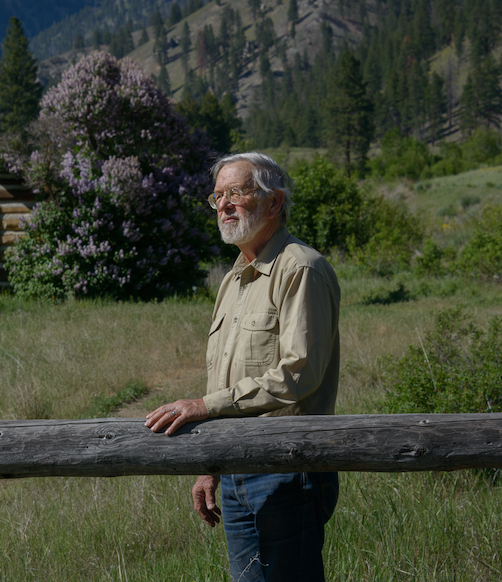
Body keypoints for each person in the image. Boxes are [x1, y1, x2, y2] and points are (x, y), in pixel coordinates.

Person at [145, 152, 340, 582]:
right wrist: (210, 463)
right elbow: (225, 376)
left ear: (274, 202)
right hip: (235, 467)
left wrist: (205, 406)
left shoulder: (301, 267)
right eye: (217, 196)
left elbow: (299, 372)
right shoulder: (233, 280)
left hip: (287, 468)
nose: (223, 204)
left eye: (237, 192)